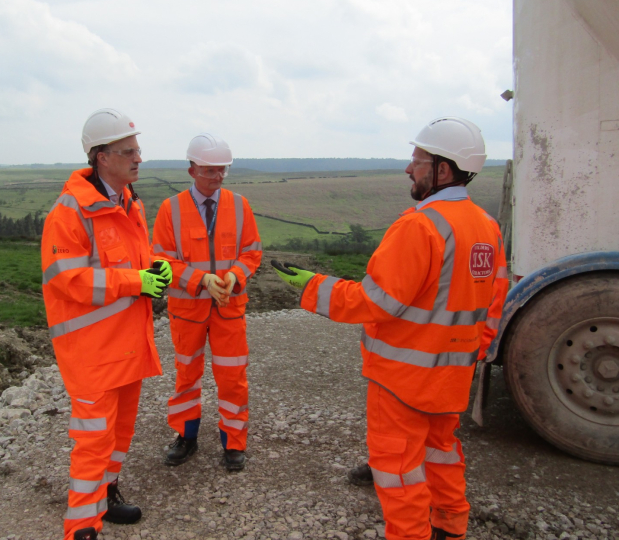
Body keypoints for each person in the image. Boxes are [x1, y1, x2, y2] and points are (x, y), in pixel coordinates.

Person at [274, 117, 508, 540]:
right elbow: (495, 298)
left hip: (402, 378)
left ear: (442, 169)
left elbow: (374, 302)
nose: (408, 168)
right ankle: (451, 528)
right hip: (452, 374)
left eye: (417, 159)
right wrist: (474, 352)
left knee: (396, 469)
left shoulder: (420, 226)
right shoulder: (485, 225)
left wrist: (311, 286)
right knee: (441, 452)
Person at [41, 108, 172, 540]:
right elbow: (69, 279)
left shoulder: (128, 201)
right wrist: (138, 280)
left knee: (120, 430)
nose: (139, 158)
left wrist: (155, 268)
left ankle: (107, 494)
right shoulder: (70, 211)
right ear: (101, 157)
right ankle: (82, 525)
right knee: (94, 437)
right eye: (128, 151)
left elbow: (134, 260)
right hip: (91, 349)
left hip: (128, 342)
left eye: (138, 149)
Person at [152, 132, 263, 471]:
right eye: (210, 170)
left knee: (233, 378)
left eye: (222, 170)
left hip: (229, 308)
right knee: (187, 375)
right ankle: (186, 437)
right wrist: (201, 280)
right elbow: (161, 259)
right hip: (188, 311)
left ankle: (234, 443)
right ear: (192, 170)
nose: (217, 177)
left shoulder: (239, 205)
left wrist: (235, 276)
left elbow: (252, 252)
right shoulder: (170, 209)